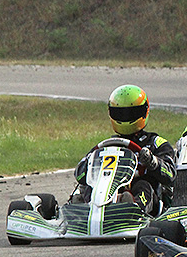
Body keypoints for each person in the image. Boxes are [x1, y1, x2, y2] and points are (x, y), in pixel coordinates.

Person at [73, 84, 176, 215]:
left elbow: (170, 176)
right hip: (110, 192)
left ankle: (133, 208)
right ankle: (88, 209)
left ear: (144, 112)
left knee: (142, 185)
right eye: (120, 113)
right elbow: (80, 176)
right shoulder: (106, 146)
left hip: (150, 205)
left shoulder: (155, 143)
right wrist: (87, 166)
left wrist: (152, 162)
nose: (126, 117)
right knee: (90, 187)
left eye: (132, 113)